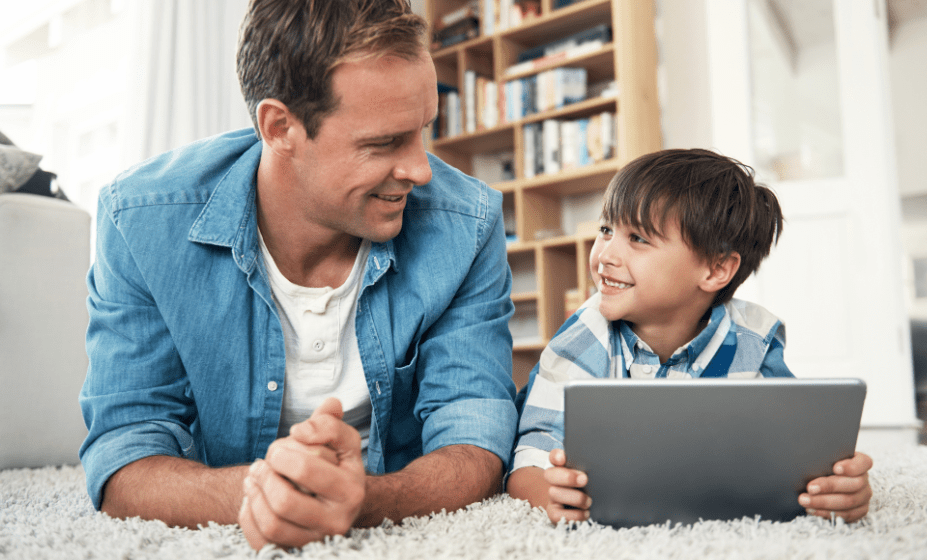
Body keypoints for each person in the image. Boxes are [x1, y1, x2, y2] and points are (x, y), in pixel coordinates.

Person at [79, 0, 518, 550]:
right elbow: (125, 455)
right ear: (280, 126)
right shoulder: (140, 222)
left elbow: (477, 438)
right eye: (383, 143)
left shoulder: (467, 224)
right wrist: (267, 490)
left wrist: (365, 500)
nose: (420, 169)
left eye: (422, 130)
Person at [506, 148, 874, 525]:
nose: (605, 254)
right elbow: (527, 463)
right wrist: (546, 493)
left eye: (638, 238)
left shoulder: (754, 340)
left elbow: (798, 462)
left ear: (716, 269)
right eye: (606, 230)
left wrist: (838, 488)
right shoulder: (584, 335)